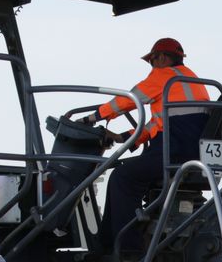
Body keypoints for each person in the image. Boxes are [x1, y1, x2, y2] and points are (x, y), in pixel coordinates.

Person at [84, 37, 211, 248]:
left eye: (151, 62)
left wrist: (93, 117)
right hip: (188, 150)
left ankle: (125, 248)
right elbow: (157, 124)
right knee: (127, 172)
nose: (151, 67)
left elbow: (130, 99)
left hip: (173, 151)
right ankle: (109, 244)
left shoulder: (165, 76)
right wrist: (123, 137)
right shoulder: (191, 81)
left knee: (122, 177)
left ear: (160, 58)